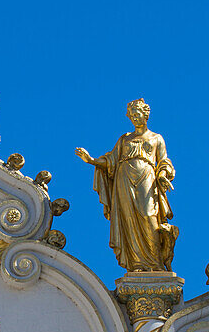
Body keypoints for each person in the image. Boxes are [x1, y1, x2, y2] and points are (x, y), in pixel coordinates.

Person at [75, 99, 178, 273]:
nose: (134, 118)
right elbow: (111, 160)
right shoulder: (124, 139)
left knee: (148, 216)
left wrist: (162, 176)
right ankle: (136, 263)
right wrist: (91, 160)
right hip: (123, 178)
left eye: (137, 115)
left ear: (145, 115)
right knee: (128, 219)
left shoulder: (156, 138)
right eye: (131, 116)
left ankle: (155, 263)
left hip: (147, 177)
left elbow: (164, 161)